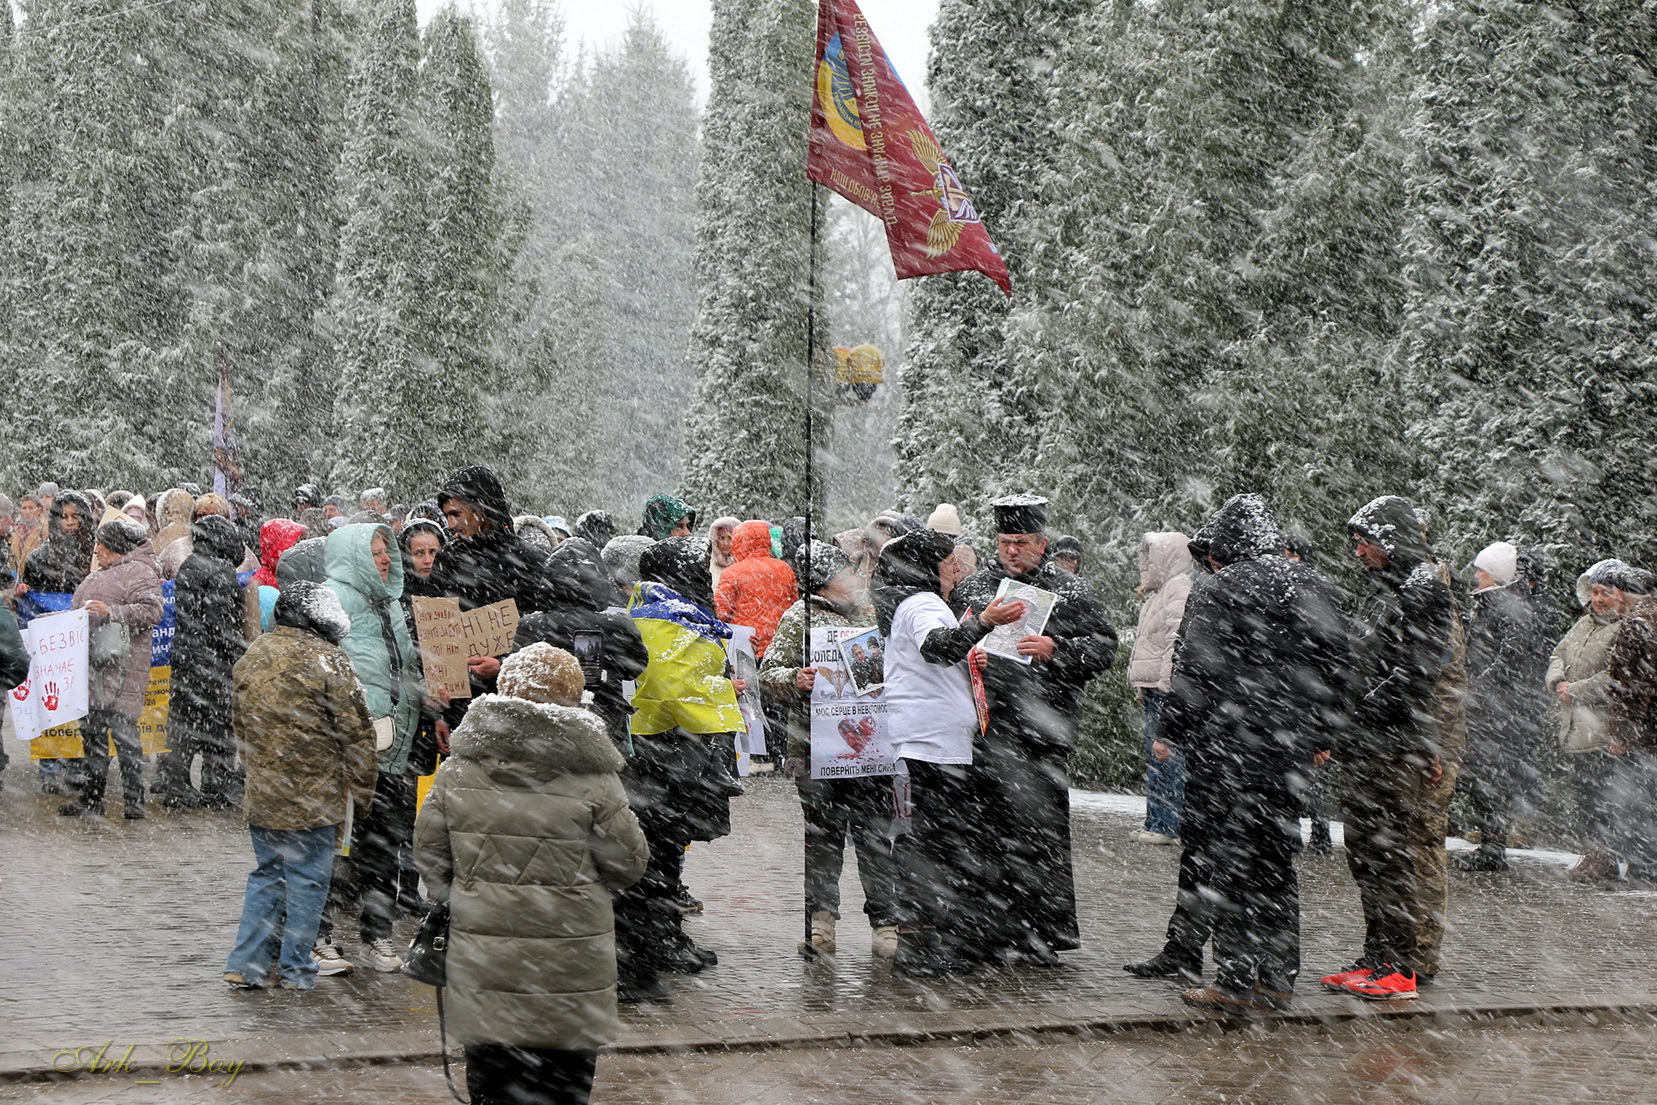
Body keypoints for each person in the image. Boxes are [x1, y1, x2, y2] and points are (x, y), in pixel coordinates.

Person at [414, 644, 647, 1105]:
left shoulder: (459, 770)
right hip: (570, 964)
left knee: (492, 1089)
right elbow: (628, 864)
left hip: (484, 960)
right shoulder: (596, 776)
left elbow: (430, 856)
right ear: (574, 697)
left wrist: (473, 889)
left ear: (504, 690)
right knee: (564, 1090)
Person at [1144, 496, 1349, 1016]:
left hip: (1232, 747)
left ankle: (1234, 981)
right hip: (1289, 754)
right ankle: (1278, 978)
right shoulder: (1314, 584)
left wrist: (1172, 729)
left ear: (1228, 545)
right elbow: (1338, 666)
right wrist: (1324, 734)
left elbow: (1197, 666)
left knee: (1231, 864)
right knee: (1276, 862)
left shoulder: (1222, 587)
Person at [950, 495, 1119, 962]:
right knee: (983, 833)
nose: (1012, 550)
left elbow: (1104, 646)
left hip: (1042, 735)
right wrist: (970, 656)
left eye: (1021, 542)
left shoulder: (1071, 591)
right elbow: (948, 644)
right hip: (984, 731)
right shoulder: (973, 589)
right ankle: (985, 930)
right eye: (1005, 541)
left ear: (1042, 543)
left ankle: (1039, 934)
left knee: (1038, 836)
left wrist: (1056, 649)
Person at [1321, 496, 1456, 1001]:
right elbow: (1364, 665)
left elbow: (1413, 677)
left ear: (1390, 539)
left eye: (1365, 542)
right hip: (1367, 744)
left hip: (1389, 748)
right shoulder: (1386, 589)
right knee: (1366, 856)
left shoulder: (1423, 590)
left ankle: (1399, 967)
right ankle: (1377, 957)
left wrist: (1360, 715)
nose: (1358, 552)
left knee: (1389, 856)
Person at [874, 529, 1022, 975]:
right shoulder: (921, 602)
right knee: (933, 842)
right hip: (932, 741)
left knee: (936, 839)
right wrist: (984, 622)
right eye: (947, 562)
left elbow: (938, 655)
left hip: (934, 738)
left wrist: (972, 647)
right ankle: (922, 944)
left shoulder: (915, 601)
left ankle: (932, 938)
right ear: (926, 567)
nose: (955, 570)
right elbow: (938, 649)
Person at [223, 581, 377, 991]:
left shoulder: (254, 655)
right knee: (308, 880)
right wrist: (363, 793)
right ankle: (296, 969)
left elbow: (240, 726)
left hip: (265, 794)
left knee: (268, 876)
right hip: (315, 797)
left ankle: (246, 965)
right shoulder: (330, 660)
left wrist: (259, 770)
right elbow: (358, 735)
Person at [615, 536, 743, 999]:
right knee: (660, 852)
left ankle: (664, 936)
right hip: (669, 751)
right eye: (698, 569)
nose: (706, 577)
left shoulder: (658, 611)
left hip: (660, 751)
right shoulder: (668, 619)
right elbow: (673, 689)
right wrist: (725, 693)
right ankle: (655, 943)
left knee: (663, 850)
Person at [762, 541, 899, 958]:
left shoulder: (872, 612)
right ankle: (821, 923)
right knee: (823, 840)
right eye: (846, 572)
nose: (855, 578)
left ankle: (886, 924)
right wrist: (794, 679)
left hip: (872, 749)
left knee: (876, 839)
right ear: (823, 583)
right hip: (815, 750)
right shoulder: (798, 617)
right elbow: (768, 672)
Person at [314, 522, 426, 975]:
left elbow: (404, 666)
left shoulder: (391, 603)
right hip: (350, 749)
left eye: (386, 551)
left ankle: (376, 936)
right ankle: (319, 936)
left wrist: (427, 696)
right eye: (375, 551)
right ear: (354, 555)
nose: (384, 559)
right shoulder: (331, 599)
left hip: (394, 746)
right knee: (336, 847)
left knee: (383, 848)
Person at [1454, 541, 1550, 872]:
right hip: (1489, 708)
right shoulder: (1491, 604)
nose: (1476, 577)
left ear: (1495, 574)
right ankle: (1490, 844)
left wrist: (1478, 689)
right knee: (1482, 778)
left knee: (1492, 779)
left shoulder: (1511, 608)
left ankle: (1493, 848)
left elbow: (1510, 658)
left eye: (1481, 571)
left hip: (1500, 712)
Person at [60, 520, 164, 819]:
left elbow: (152, 610)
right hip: (93, 669)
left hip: (123, 670)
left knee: (125, 737)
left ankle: (134, 801)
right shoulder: (100, 573)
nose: (96, 550)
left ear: (114, 546)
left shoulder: (139, 571)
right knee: (92, 737)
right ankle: (92, 799)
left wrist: (113, 612)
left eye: (100, 544)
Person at [1544, 559, 1631, 883]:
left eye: (1605, 592)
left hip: (1602, 730)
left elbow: (1616, 677)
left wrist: (1575, 690)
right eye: (1594, 592)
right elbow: (1558, 654)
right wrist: (1557, 681)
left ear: (1622, 594)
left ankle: (1604, 859)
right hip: (1576, 727)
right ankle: (1592, 856)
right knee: (1584, 797)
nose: (1598, 599)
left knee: (1603, 800)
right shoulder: (1584, 623)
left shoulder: (1624, 629)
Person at [1127, 531, 1193, 846]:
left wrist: (1167, 686)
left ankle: (1167, 824)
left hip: (1163, 689)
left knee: (1165, 756)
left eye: (1152, 557)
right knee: (1156, 757)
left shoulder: (1177, 588)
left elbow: (1175, 641)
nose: (1148, 563)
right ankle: (1155, 821)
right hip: (1152, 687)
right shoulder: (1160, 591)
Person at [1607, 569, 1657, 884]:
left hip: (1644, 732)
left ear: (1622, 593)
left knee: (1637, 803)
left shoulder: (1637, 622)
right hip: (1651, 729)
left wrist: (1624, 733)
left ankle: (1643, 868)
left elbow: (1635, 685)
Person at [708, 516, 740, 589]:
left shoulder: (743, 564)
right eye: (721, 538)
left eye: (730, 538)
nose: (725, 543)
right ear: (715, 541)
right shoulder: (707, 564)